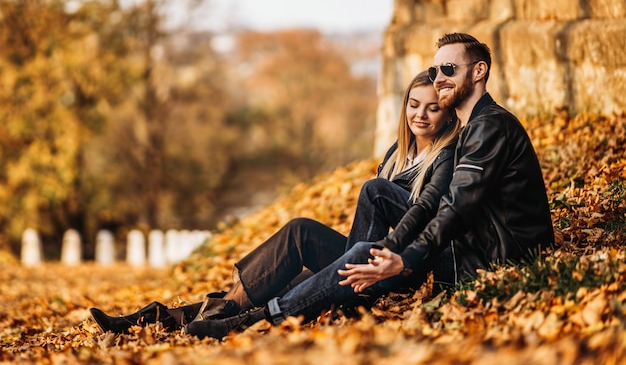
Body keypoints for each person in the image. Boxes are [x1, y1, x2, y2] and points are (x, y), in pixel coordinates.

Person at [178, 32, 554, 339]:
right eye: (434, 68)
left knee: (362, 236)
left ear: (479, 71)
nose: (439, 77)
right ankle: (214, 308)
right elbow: (426, 208)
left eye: (449, 68)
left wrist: (401, 257)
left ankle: (258, 319)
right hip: (468, 249)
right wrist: (387, 249)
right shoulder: (472, 127)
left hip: (490, 259)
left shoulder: (488, 126)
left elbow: (454, 209)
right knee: (338, 219)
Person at [90, 70, 461, 337]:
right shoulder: (397, 154)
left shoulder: (444, 159)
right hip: (358, 255)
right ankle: (156, 318)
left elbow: (427, 223)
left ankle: (230, 317)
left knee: (296, 281)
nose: (420, 115)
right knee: (293, 249)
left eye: (433, 108)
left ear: (447, 114)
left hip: (394, 270)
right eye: (414, 105)